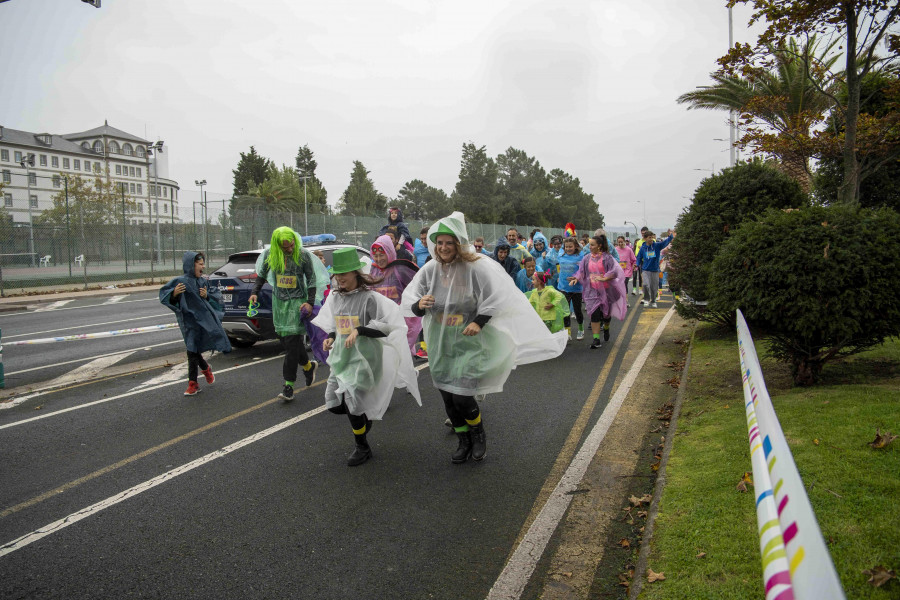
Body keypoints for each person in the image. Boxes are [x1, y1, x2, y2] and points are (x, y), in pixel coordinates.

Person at [401, 212, 566, 464]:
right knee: (447, 396)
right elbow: (411, 297)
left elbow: (498, 296)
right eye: (439, 242)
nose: (443, 247)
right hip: (440, 342)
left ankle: (478, 435)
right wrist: (419, 304)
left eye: (449, 242)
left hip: (469, 342)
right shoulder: (430, 269)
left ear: (459, 242)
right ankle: (463, 440)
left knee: (462, 396)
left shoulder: (476, 267)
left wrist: (479, 322)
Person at [313, 248, 422, 466]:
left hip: (366, 358)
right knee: (334, 405)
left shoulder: (370, 299)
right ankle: (363, 420)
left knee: (353, 403)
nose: (340, 278)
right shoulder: (336, 298)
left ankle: (361, 446)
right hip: (343, 357)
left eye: (344, 273)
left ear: (356, 273)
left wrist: (360, 330)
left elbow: (387, 327)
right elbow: (337, 323)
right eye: (337, 274)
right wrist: (332, 337)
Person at [249, 227, 319, 401]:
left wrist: (309, 303)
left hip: (297, 304)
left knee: (292, 343)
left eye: (291, 245)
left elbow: (311, 279)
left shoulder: (302, 255)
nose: (289, 249)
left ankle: (289, 386)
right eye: (285, 247)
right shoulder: (270, 255)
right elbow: (262, 275)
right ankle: (308, 366)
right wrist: (254, 292)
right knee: (289, 344)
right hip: (279, 304)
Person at [160, 251, 232, 396]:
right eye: (200, 264)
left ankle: (202, 373)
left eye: (203, 264)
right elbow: (165, 296)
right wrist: (174, 294)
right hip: (190, 323)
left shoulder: (203, 281)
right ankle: (194, 383)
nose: (203, 267)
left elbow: (215, 298)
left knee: (194, 350)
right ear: (191, 265)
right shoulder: (180, 281)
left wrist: (207, 296)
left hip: (204, 322)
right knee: (192, 350)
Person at [568, 234, 628, 349]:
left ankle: (606, 327)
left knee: (606, 315)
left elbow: (615, 272)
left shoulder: (607, 258)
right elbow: (582, 272)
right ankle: (596, 339)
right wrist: (576, 278)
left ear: (599, 246)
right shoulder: (586, 258)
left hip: (607, 290)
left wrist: (605, 278)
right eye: (589, 245)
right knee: (594, 314)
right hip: (592, 291)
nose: (589, 247)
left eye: (592, 245)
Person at [370, 234, 422, 357]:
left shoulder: (401, 268)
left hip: (402, 322)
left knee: (400, 355)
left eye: (382, 255)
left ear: (389, 252)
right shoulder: (374, 270)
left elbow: (418, 287)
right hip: (382, 320)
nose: (378, 259)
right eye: (375, 256)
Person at [636, 229, 675, 308]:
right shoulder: (643, 248)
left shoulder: (657, 246)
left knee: (654, 287)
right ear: (645, 238)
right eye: (649, 237)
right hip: (645, 270)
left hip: (655, 270)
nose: (651, 239)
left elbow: (665, 242)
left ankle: (653, 301)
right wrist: (636, 265)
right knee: (646, 284)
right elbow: (639, 257)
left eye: (652, 237)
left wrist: (671, 235)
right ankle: (646, 300)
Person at [556, 237, 585, 341]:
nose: (568, 249)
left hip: (576, 288)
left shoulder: (580, 256)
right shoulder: (561, 254)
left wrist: (575, 240)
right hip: (563, 287)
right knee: (565, 311)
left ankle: (581, 328)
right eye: (566, 247)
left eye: (570, 246)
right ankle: (568, 332)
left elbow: (583, 270)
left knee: (577, 311)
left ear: (575, 246)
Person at [632, 227, 649, 296]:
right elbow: (637, 254)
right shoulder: (639, 242)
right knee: (641, 276)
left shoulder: (652, 240)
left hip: (650, 261)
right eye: (642, 233)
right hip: (642, 261)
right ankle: (641, 290)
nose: (643, 234)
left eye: (644, 233)